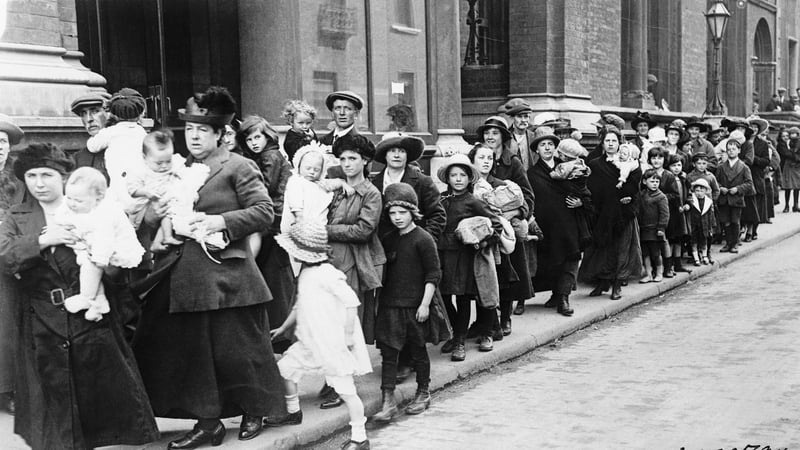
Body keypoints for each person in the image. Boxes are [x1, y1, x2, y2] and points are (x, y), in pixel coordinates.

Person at [131, 86, 286, 446]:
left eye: (203, 130)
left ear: (220, 134)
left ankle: (255, 409)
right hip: (186, 275)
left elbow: (264, 212)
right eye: (189, 129)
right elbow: (164, 211)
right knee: (196, 354)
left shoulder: (238, 166)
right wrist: (156, 217)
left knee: (242, 350)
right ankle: (208, 422)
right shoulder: (181, 169)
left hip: (229, 275)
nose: (195, 136)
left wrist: (221, 222)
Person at [0, 143, 158, 449]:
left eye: (47, 174)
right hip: (41, 320)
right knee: (53, 407)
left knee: (97, 400)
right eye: (31, 175)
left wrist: (108, 264)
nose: (39, 183)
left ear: (64, 177)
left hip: (91, 319)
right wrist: (43, 240)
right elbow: (4, 255)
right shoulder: (17, 216)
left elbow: (131, 258)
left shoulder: (94, 208)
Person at [269, 221, 372, 450]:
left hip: (332, 342)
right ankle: (293, 411)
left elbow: (351, 302)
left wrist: (346, 336)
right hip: (311, 339)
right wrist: (284, 327)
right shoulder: (305, 273)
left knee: (346, 392)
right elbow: (299, 304)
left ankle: (360, 437)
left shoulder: (328, 274)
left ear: (305, 252)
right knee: (285, 369)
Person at [371, 183, 451, 423]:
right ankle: (387, 401)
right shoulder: (389, 238)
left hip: (415, 306)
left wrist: (425, 304)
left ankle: (423, 392)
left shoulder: (423, 238)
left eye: (402, 212)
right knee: (388, 353)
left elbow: (433, 274)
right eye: (392, 213)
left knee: (418, 351)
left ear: (413, 212)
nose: (397, 218)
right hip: (389, 306)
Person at [320, 133, 385, 409]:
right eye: (343, 158)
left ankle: (343, 382)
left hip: (355, 262)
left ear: (365, 160)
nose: (346, 164)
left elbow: (363, 230)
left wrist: (325, 230)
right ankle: (331, 377)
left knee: (346, 323)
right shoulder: (333, 189)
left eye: (353, 159)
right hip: (327, 259)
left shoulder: (370, 193)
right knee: (326, 321)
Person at [56, 167, 144, 321]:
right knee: (88, 268)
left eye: (78, 200)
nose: (72, 203)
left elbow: (105, 239)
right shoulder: (76, 203)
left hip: (114, 248)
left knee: (91, 267)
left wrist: (99, 258)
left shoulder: (106, 213)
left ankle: (86, 297)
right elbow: (63, 214)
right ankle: (99, 302)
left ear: (98, 198)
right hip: (92, 242)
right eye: (69, 197)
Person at [437, 153, 502, 360]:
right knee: (444, 298)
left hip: (464, 257)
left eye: (462, 175)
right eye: (453, 175)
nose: (457, 179)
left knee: (463, 298)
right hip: (442, 254)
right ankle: (455, 333)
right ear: (447, 178)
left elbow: (496, 226)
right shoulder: (440, 199)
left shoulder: (473, 202)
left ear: (469, 178)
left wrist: (482, 242)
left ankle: (459, 342)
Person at [474, 115, 534, 336]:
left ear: (503, 137)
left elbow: (527, 196)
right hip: (485, 228)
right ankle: (485, 322)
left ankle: (506, 317)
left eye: (495, 133)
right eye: (486, 133)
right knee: (487, 275)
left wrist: (515, 214)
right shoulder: (476, 161)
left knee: (509, 274)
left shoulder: (513, 162)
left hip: (508, 228)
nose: (490, 136)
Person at [527, 130, 593, 316]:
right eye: (542, 145)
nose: (547, 148)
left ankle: (563, 298)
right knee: (552, 260)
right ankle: (555, 294)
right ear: (537, 151)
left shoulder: (570, 167)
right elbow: (531, 199)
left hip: (570, 223)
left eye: (550, 144)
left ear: (556, 148)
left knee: (571, 258)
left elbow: (585, 190)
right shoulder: (532, 174)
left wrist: (582, 202)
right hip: (548, 225)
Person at [579, 127, 643, 300]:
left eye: (614, 141)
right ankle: (602, 282)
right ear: (602, 143)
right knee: (603, 249)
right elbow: (590, 188)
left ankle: (617, 284)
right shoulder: (595, 164)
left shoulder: (630, 163)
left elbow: (636, 186)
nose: (611, 144)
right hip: (603, 213)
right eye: (607, 141)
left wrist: (629, 199)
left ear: (619, 143)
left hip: (623, 213)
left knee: (622, 249)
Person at [127, 129, 211, 250]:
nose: (165, 166)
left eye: (168, 161)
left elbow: (185, 172)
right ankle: (150, 247)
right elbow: (132, 190)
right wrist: (147, 193)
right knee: (135, 231)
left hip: (166, 196)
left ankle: (162, 240)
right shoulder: (139, 170)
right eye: (159, 163)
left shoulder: (175, 161)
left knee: (171, 214)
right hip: (144, 203)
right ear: (145, 157)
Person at [371, 132, 446, 241]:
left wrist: (423, 241)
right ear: (385, 155)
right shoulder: (375, 183)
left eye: (402, 151)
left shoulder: (423, 182)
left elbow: (438, 216)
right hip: (383, 248)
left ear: (407, 155)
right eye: (392, 151)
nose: (397, 155)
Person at [0, 114, 25, 415]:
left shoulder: (18, 181)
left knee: (8, 324)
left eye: (3, 142)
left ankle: (8, 388)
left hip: (10, 260)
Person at [86, 88, 148, 207]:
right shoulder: (142, 133)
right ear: (140, 113)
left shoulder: (110, 132)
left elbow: (92, 146)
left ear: (114, 114)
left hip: (117, 188)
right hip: (139, 187)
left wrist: (91, 139)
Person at [716, 138, 754, 253]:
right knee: (725, 221)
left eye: (734, 149)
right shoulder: (721, 167)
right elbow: (716, 181)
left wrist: (737, 189)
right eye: (729, 149)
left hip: (736, 198)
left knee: (735, 221)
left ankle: (734, 243)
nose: (731, 151)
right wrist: (720, 187)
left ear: (739, 151)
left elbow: (749, 183)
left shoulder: (744, 167)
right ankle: (728, 243)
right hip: (724, 198)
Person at [637, 168, 669, 283]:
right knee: (645, 253)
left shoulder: (661, 197)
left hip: (655, 230)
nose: (655, 184)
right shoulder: (641, 195)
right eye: (652, 181)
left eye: (657, 182)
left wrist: (661, 228)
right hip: (644, 229)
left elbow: (665, 214)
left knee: (656, 253)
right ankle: (648, 274)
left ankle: (659, 273)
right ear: (645, 182)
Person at [70, 91, 112, 180]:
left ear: (109, 114)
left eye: (95, 111)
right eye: (83, 114)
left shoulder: (124, 149)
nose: (89, 119)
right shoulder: (78, 158)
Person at [664, 154, 692, 274]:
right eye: (673, 165)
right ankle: (669, 265)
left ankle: (678, 264)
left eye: (679, 165)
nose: (676, 168)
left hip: (682, 213)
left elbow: (689, 194)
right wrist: (676, 206)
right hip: (672, 213)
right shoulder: (667, 178)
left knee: (679, 239)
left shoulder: (683, 179)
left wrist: (687, 204)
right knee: (671, 238)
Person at [498, 98, 537, 170]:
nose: (523, 120)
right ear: (512, 118)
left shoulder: (534, 136)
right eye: (519, 116)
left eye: (526, 116)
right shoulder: (506, 137)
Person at [688, 178, 718, 266]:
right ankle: (696, 257)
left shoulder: (708, 202)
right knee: (694, 242)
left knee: (704, 241)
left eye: (701, 191)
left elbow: (711, 215)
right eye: (697, 190)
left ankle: (704, 256)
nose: (699, 193)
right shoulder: (692, 201)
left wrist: (712, 226)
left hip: (704, 225)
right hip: (694, 225)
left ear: (705, 191)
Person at [780, 127, 800, 212]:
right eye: (791, 134)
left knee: (797, 186)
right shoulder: (786, 143)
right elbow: (786, 153)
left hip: (797, 166)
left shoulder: (798, 142)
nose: (792, 135)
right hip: (788, 165)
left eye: (793, 133)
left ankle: (795, 205)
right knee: (787, 186)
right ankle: (786, 205)